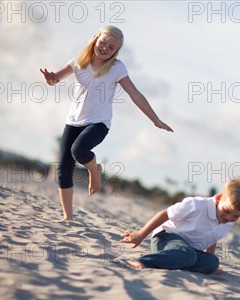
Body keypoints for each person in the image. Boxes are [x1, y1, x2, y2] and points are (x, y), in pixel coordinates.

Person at [40, 26, 173, 220]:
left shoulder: (116, 68)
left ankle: (95, 171)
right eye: (103, 42)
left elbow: (135, 95)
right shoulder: (79, 62)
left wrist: (155, 119)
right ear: (96, 38)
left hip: (98, 123)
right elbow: (55, 79)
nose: (105, 48)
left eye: (111, 47)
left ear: (116, 52)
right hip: (73, 121)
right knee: (63, 169)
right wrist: (51, 79)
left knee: (79, 150)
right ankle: (68, 217)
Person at [120, 178, 240, 274]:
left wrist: (208, 258)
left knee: (213, 263)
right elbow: (165, 214)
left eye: (236, 216)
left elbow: (212, 236)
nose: (229, 218)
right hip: (166, 238)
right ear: (219, 199)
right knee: (188, 255)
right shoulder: (198, 205)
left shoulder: (228, 221)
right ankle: (143, 261)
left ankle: (176, 261)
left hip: (190, 250)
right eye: (226, 211)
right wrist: (141, 235)